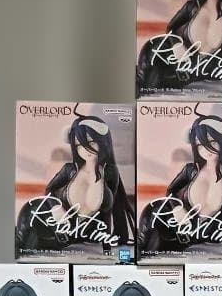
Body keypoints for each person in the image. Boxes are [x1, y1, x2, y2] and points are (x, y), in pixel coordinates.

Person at [16, 104, 134, 255]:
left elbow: (108, 210)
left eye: (92, 142)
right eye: (79, 145)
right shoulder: (69, 170)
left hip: (66, 235)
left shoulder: (110, 172)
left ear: (102, 141)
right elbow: (50, 189)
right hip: (41, 215)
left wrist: (107, 247)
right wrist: (56, 208)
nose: (85, 150)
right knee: (25, 245)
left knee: (42, 247)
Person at [137, 112, 222, 256]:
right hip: (163, 219)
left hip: (186, 238)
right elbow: (171, 190)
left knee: (155, 250)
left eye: (212, 142)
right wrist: (177, 208)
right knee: (146, 243)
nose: (206, 150)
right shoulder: (190, 170)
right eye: (200, 145)